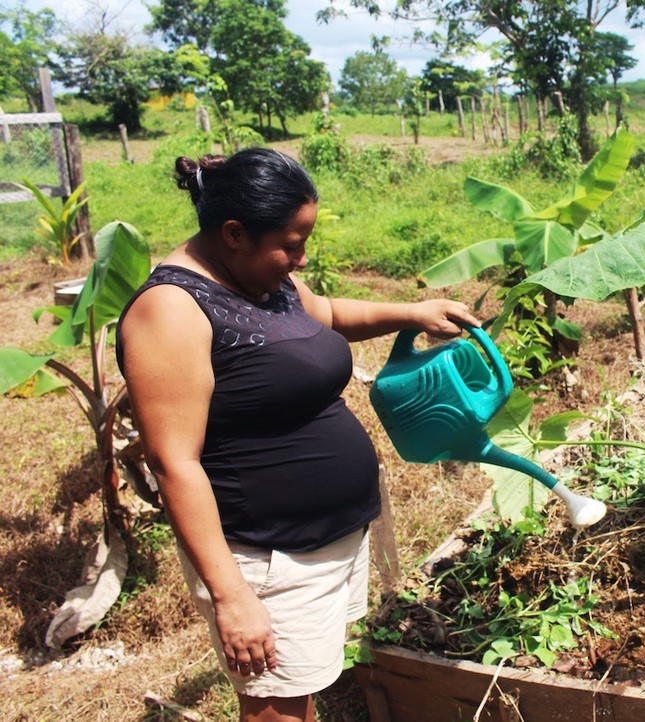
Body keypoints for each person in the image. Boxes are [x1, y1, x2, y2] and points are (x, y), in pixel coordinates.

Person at [116, 147, 479, 722]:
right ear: (234, 233)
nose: (301, 259)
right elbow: (174, 463)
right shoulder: (172, 310)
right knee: (273, 710)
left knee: (299, 692)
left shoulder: (266, 280)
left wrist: (413, 312)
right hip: (266, 558)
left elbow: (328, 314)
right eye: (291, 242)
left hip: (322, 542)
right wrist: (232, 597)